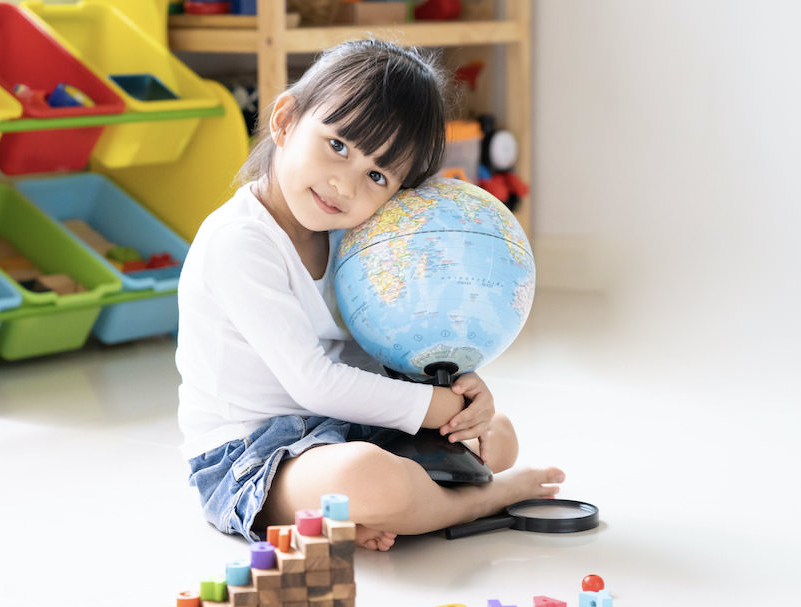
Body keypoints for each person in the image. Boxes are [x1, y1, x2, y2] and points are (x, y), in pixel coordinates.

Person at [176, 40, 564, 552]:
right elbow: (314, 383)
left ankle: (366, 514)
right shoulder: (239, 242)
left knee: (498, 436)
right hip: (253, 453)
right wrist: (430, 407)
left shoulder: (356, 238)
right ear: (286, 120)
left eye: (376, 176)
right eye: (337, 145)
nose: (343, 185)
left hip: (346, 425)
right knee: (372, 478)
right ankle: (482, 502)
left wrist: (460, 400)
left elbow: (380, 351)